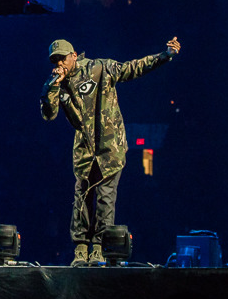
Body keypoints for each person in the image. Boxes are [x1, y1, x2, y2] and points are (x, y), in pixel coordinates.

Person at [41, 36, 181, 266]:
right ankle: (81, 249)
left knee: (106, 200)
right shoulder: (58, 84)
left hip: (110, 149)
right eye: (55, 60)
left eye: (63, 58)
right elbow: (49, 114)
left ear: (74, 55)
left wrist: (164, 55)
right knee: (81, 199)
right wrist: (51, 86)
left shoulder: (99, 68)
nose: (59, 64)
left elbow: (132, 68)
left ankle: (98, 248)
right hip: (84, 153)